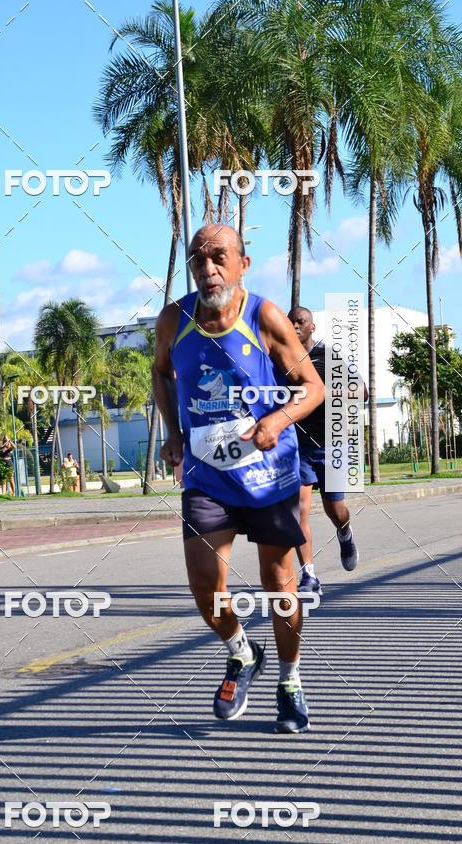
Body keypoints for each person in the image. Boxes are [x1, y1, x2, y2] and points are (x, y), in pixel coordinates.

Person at [153, 224, 324, 733]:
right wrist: (173, 431)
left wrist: (276, 420)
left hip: (268, 475)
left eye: (219, 257)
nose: (209, 269)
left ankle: (291, 681)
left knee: (279, 585)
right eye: (199, 260)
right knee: (206, 590)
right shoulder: (173, 320)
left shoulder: (265, 316)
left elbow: (311, 388)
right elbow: (161, 373)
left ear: (242, 264)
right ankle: (243, 652)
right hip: (207, 474)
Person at [287, 307, 366, 595]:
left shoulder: (329, 358)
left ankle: (345, 533)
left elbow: (362, 392)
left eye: (301, 322)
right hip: (299, 447)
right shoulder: (283, 360)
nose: (295, 326)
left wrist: (324, 392)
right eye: (290, 322)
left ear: (312, 327)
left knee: (336, 509)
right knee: (298, 511)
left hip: (333, 443)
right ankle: (309, 576)